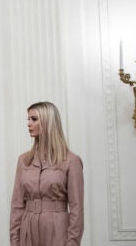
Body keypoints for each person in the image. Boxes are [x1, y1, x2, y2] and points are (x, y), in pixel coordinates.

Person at [10, 102, 84, 246]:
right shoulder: (23, 160)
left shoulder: (71, 161)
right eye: (28, 119)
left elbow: (77, 209)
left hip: (58, 230)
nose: (28, 123)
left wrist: (73, 243)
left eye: (34, 119)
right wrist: (15, 241)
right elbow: (17, 205)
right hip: (28, 229)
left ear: (48, 122)